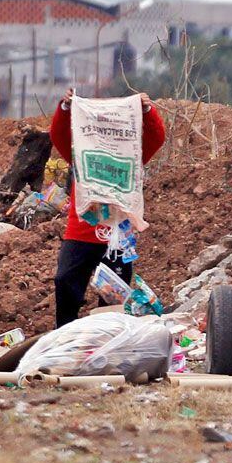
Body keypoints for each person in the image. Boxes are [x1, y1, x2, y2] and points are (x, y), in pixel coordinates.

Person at [48, 89, 167, 327]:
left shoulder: (130, 156)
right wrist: (64, 109)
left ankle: (107, 341)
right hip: (80, 231)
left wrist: (147, 110)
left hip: (118, 235)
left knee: (114, 298)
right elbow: (58, 135)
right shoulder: (81, 154)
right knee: (65, 281)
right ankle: (64, 334)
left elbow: (156, 137)